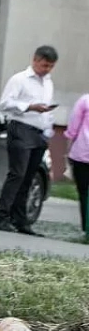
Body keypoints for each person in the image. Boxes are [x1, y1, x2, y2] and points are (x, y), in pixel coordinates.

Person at [0, 46, 59, 236]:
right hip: (21, 128)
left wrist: (48, 128)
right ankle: (3, 217)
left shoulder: (48, 82)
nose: (47, 69)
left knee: (29, 177)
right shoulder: (20, 79)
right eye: (44, 65)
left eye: (51, 66)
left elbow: (47, 109)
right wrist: (29, 107)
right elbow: (5, 103)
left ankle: (20, 220)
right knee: (17, 174)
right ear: (35, 60)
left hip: (39, 132)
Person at [66, 92, 89, 233]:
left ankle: (86, 227)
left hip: (82, 152)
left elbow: (73, 128)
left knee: (84, 192)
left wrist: (68, 150)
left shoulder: (85, 101)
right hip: (82, 153)